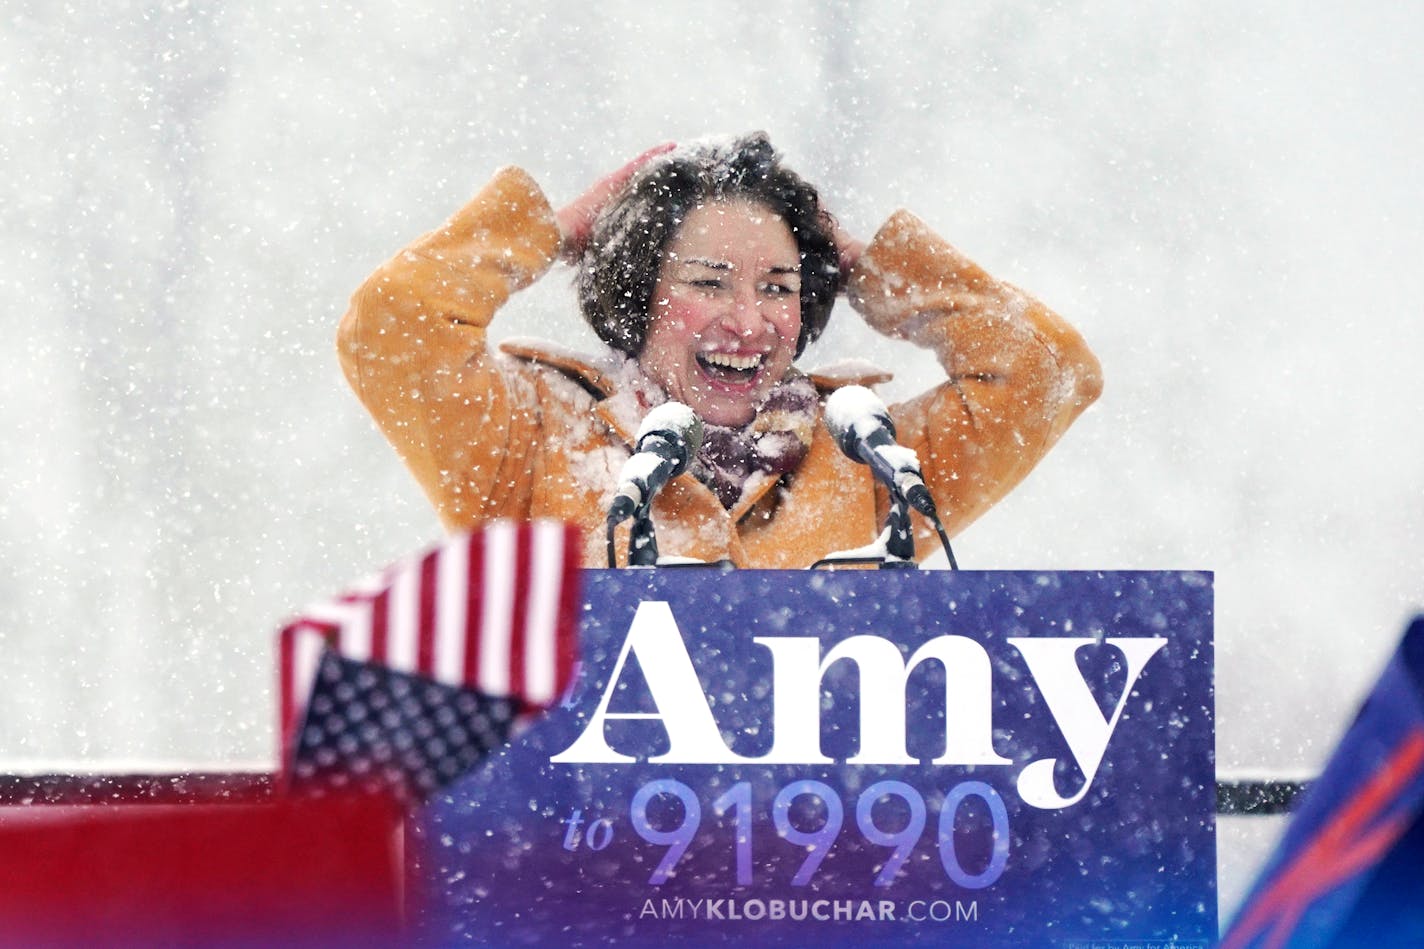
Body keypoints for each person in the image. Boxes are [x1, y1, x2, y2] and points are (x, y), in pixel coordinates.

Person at [337, 133, 1102, 568]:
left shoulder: (864, 453)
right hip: (580, 847)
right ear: (637, 294)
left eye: (777, 286)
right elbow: (390, 327)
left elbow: (1051, 373)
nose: (748, 320)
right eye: (710, 283)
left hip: (804, 844)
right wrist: (560, 230)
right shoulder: (532, 437)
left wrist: (868, 264)